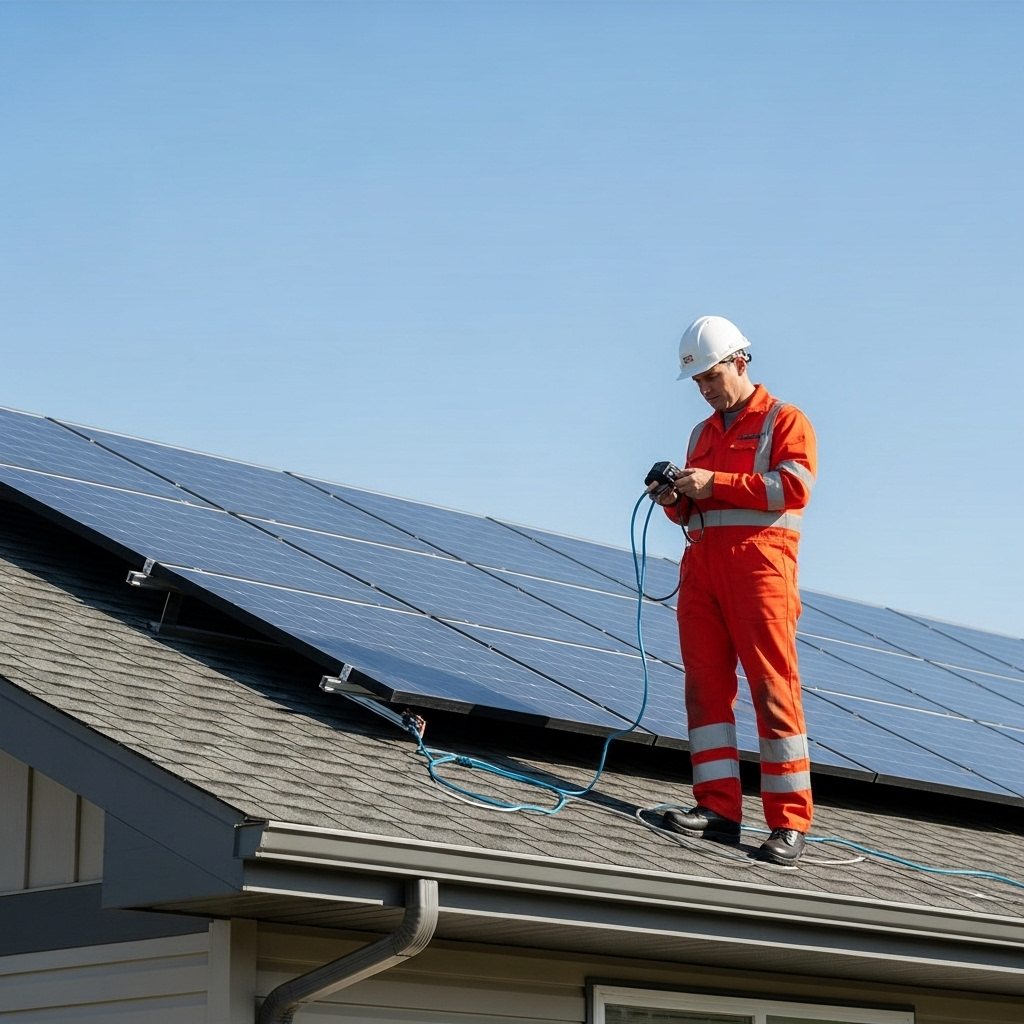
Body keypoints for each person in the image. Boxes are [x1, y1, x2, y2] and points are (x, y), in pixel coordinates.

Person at [647, 315, 817, 866]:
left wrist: (712, 483)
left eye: (710, 376)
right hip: (702, 572)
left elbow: (792, 487)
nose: (705, 389)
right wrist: (673, 499)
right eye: (697, 382)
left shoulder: (785, 420)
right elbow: (696, 511)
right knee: (706, 689)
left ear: (739, 362)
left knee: (774, 689)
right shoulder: (702, 434)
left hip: (761, 572)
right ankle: (718, 808)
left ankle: (788, 822)